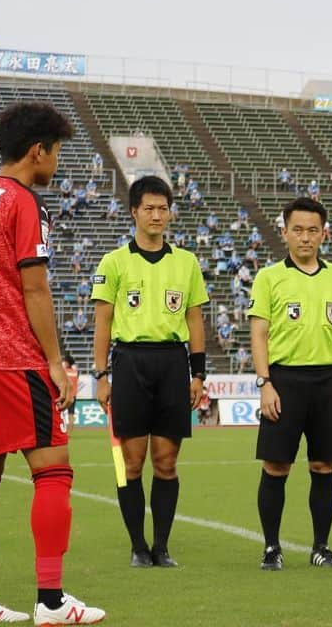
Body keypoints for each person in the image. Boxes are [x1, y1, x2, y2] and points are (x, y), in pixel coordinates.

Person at [0, 101, 104, 624]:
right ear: (38, 150)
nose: (56, 163)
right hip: (11, 357)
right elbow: (34, 287)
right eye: (56, 153)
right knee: (54, 471)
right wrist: (55, 363)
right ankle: (53, 601)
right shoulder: (22, 201)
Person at [92, 176, 208, 569]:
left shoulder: (187, 262)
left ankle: (161, 545)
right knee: (131, 463)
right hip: (130, 363)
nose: (157, 215)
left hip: (173, 364)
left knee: (167, 461)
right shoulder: (114, 262)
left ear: (170, 212)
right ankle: (137, 545)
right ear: (134, 212)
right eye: (149, 208)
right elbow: (103, 323)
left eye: (163, 208)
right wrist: (100, 375)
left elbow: (194, 319)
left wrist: (198, 373)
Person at [248, 197, 332, 571]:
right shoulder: (269, 277)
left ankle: (321, 546)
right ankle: (271, 547)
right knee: (276, 467)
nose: (306, 237)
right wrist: (265, 382)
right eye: (298, 230)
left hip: (328, 381)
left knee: (324, 466)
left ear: (324, 234)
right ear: (285, 233)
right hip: (284, 380)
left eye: (313, 230)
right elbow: (259, 334)